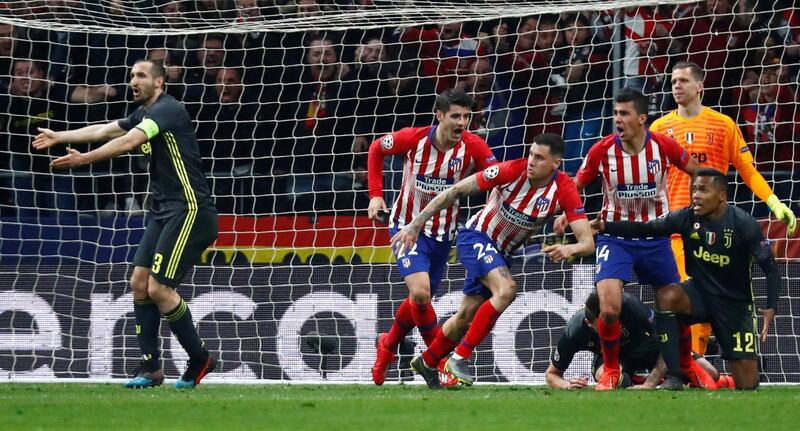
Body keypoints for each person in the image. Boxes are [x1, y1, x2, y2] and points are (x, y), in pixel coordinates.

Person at [31, 59, 218, 389]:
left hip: (190, 209)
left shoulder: (167, 110)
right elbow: (105, 129)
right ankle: (151, 368)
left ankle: (200, 358)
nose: (133, 80)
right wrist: (60, 135)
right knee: (138, 282)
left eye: (141, 75)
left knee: (159, 288)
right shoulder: (142, 114)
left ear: (159, 83)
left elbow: (129, 142)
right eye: (131, 74)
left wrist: (83, 159)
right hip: (163, 211)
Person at [392, 133, 595, 389]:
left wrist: (571, 250)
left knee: (464, 316)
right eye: (531, 153)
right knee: (507, 289)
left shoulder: (564, 189)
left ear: (556, 164)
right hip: (475, 237)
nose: (531, 161)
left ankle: (428, 360)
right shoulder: (510, 170)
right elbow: (456, 190)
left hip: (501, 254)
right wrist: (416, 224)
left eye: (539, 158)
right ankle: (459, 358)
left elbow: (586, 242)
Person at [555, 87, 701, 390]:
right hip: (615, 237)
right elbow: (576, 184)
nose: (618, 120)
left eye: (624, 114)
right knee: (609, 306)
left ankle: (683, 367)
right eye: (615, 114)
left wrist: (699, 206)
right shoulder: (601, 150)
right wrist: (564, 213)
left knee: (676, 305)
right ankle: (610, 370)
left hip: (656, 236)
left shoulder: (663, 146)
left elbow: (698, 172)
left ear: (642, 118)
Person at [650, 61, 795, 356]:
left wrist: (773, 201)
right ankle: (693, 366)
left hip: (718, 229)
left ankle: (716, 364)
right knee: (686, 300)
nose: (676, 86)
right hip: (678, 230)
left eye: (683, 81)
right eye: (673, 81)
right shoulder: (660, 128)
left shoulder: (723, 124)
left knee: (726, 302)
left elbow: (748, 170)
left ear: (700, 86)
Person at [592, 169, 780, 390]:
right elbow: (645, 228)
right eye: (694, 190)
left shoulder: (743, 223)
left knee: (747, 385)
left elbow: (770, 266)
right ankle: (675, 376)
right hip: (699, 294)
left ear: (721, 196)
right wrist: (606, 226)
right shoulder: (685, 217)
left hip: (735, 305)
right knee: (667, 296)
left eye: (703, 190)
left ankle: (723, 380)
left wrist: (771, 307)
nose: (695, 196)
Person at [367, 88, 497, 386]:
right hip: (406, 227)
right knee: (421, 293)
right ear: (439, 116)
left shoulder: (474, 147)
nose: (462, 122)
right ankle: (436, 360)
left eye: (466, 116)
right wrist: (376, 197)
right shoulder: (413, 138)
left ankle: (388, 343)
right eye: (455, 116)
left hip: (443, 235)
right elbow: (376, 149)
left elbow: (496, 178)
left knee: (419, 299)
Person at [546, 291, 727, 390]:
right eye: (603, 325)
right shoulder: (575, 330)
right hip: (617, 360)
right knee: (606, 377)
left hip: (648, 348)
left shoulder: (628, 305)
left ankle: (727, 382)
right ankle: (643, 383)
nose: (611, 327)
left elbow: (668, 339)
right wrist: (567, 386)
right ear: (589, 323)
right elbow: (552, 375)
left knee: (709, 372)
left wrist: (651, 382)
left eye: (613, 321)